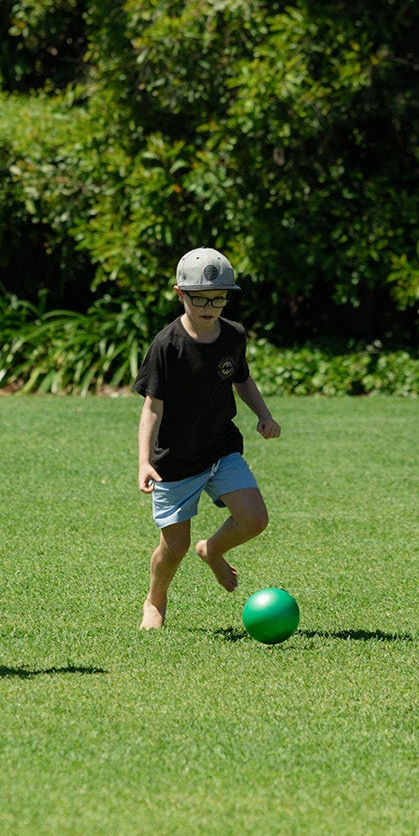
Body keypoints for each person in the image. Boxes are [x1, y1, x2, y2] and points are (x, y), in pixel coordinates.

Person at [135, 247, 281, 631]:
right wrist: (144, 460)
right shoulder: (167, 345)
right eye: (199, 298)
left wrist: (264, 415)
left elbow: (242, 379)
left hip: (220, 448)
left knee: (254, 519)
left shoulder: (232, 335)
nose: (209, 306)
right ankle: (155, 598)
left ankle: (212, 549)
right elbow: (152, 407)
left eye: (218, 298)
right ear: (180, 294)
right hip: (175, 462)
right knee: (174, 547)